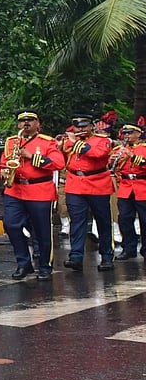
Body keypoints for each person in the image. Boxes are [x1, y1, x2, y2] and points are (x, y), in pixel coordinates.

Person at [0, 109, 63, 281]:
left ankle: (44, 266)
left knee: (42, 231)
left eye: (30, 120)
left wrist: (32, 156)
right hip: (15, 190)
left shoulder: (47, 142)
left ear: (37, 123)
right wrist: (4, 171)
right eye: (22, 121)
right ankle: (23, 263)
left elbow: (59, 163)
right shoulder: (11, 142)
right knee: (11, 225)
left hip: (39, 190)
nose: (25, 123)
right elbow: (4, 162)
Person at [60, 113, 115, 272]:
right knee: (76, 221)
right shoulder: (68, 142)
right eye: (77, 126)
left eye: (84, 126)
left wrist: (74, 141)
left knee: (103, 221)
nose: (81, 129)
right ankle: (76, 256)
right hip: (75, 184)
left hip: (97, 184)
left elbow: (97, 154)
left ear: (92, 126)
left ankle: (106, 257)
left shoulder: (102, 140)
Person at [113, 123, 146, 260]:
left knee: (145, 220)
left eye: (130, 133)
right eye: (125, 133)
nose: (127, 136)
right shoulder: (119, 149)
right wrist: (112, 161)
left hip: (142, 186)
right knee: (124, 219)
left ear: (138, 134)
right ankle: (129, 248)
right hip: (126, 187)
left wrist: (132, 156)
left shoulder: (144, 148)